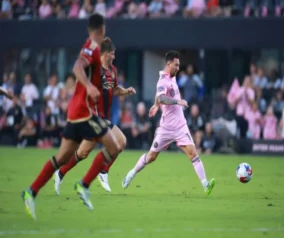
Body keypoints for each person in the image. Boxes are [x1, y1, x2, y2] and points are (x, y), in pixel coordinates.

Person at [21, 14, 121, 220]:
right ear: (101, 30)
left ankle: (31, 192)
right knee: (115, 147)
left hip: (75, 114)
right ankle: (83, 185)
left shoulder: (89, 46)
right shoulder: (92, 48)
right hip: (85, 113)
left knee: (62, 158)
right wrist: (90, 86)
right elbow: (77, 68)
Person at [122, 51, 216, 195]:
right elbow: (162, 97)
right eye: (176, 65)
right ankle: (131, 173)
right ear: (169, 64)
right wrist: (175, 101)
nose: (178, 68)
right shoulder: (163, 81)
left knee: (193, 153)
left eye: (179, 65)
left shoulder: (172, 78)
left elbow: (158, 96)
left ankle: (205, 185)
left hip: (180, 126)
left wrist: (155, 105)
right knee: (151, 157)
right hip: (165, 128)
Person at [53, 37, 136, 195]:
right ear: (105, 54)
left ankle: (70, 172)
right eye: (112, 53)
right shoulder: (95, 70)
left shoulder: (113, 70)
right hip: (94, 120)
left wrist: (127, 91)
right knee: (91, 151)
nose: (114, 56)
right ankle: (69, 172)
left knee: (110, 145)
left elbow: (115, 89)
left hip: (104, 119)